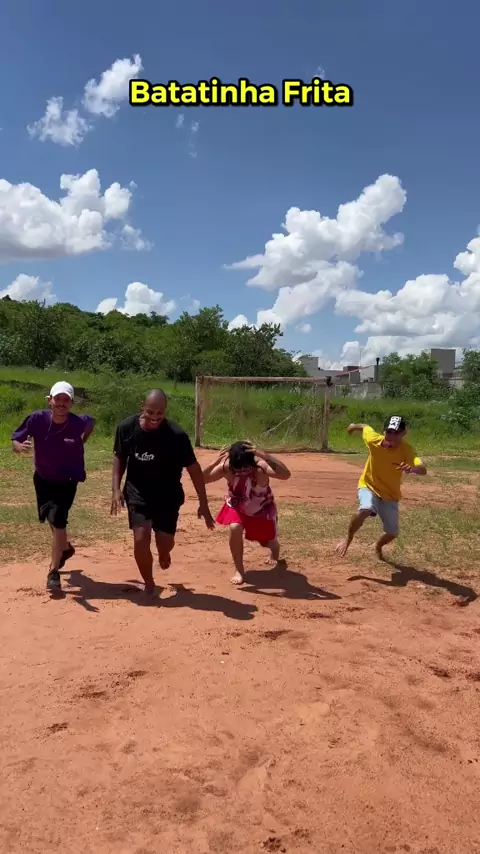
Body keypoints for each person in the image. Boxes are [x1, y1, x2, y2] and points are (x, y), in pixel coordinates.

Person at [111, 389, 215, 598]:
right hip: (137, 492)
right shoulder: (127, 428)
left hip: (168, 495)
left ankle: (164, 553)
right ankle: (149, 584)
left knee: (164, 543)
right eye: (150, 412)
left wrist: (203, 504)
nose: (155, 417)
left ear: (165, 410)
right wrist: (115, 489)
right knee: (141, 538)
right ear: (142, 406)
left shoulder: (176, 436)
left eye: (160, 413)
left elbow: (194, 470)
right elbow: (120, 457)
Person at [11, 381, 96, 591]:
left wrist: (82, 440)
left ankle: (53, 571)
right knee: (51, 518)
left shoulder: (78, 422)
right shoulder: (37, 419)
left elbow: (90, 422)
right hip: (43, 478)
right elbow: (15, 439)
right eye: (58, 399)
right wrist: (20, 447)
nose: (61, 403)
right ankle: (64, 548)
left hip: (68, 479)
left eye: (66, 400)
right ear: (50, 400)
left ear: (71, 403)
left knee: (58, 519)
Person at [335, 415, 427, 560]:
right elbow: (366, 427)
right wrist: (354, 426)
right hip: (369, 485)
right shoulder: (373, 440)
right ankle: (348, 539)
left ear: (403, 433)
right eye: (389, 432)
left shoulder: (406, 450)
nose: (392, 436)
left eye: (397, 433)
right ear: (384, 432)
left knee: (392, 532)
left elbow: (422, 468)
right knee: (365, 509)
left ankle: (378, 546)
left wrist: (413, 469)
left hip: (390, 494)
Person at [203, 440, 291, 585]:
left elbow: (285, 474)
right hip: (237, 507)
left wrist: (265, 455)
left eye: (246, 468)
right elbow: (201, 479)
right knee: (234, 527)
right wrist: (215, 462)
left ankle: (274, 549)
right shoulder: (227, 468)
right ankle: (239, 570)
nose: (241, 472)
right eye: (238, 469)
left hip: (261, 509)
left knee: (266, 542)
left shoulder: (261, 468)